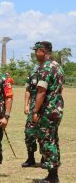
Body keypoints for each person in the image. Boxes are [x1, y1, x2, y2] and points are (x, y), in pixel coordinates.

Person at [32, 41, 64, 183]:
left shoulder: (45, 68)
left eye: (37, 51)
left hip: (47, 110)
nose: (35, 53)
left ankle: (52, 177)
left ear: (43, 51)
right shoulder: (57, 66)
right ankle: (53, 174)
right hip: (57, 108)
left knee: (46, 141)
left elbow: (41, 92)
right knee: (53, 139)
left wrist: (35, 111)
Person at [22, 68, 42, 167]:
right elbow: (28, 90)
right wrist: (26, 105)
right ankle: (30, 158)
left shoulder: (50, 72)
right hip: (33, 108)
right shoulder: (33, 74)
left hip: (46, 109)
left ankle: (45, 158)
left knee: (44, 134)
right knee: (29, 133)